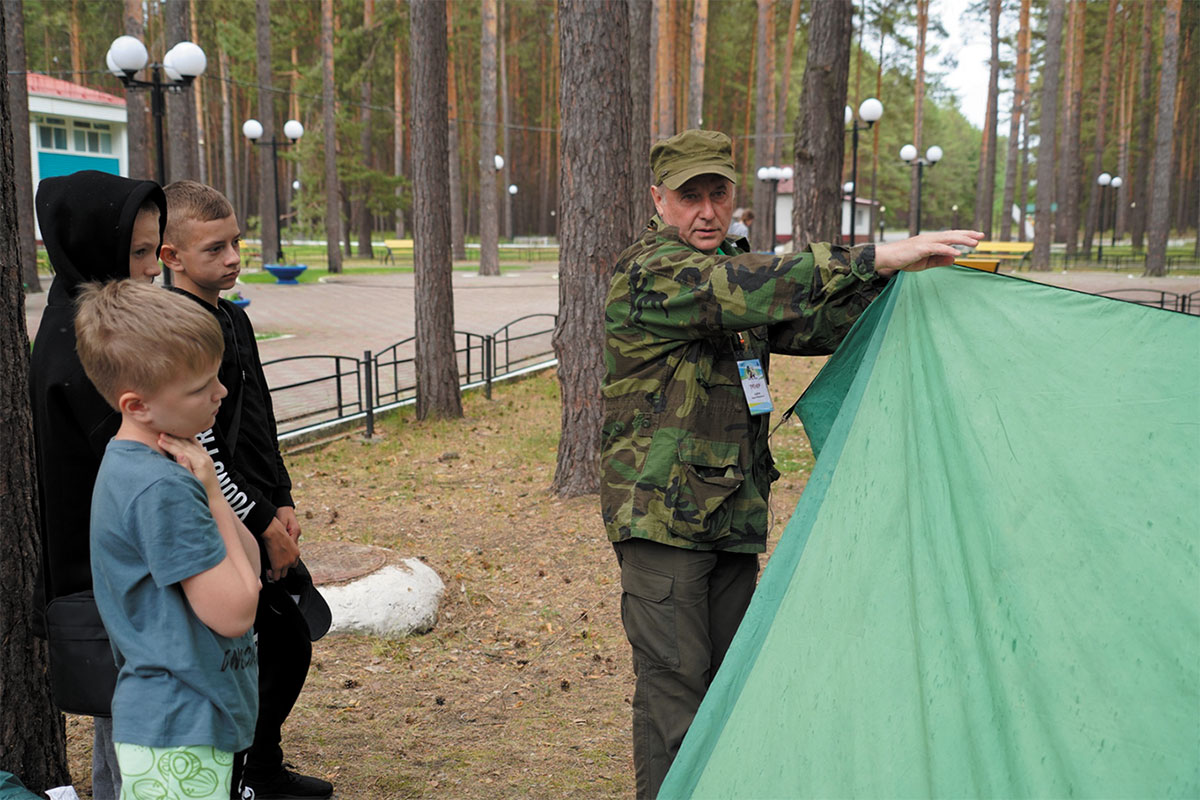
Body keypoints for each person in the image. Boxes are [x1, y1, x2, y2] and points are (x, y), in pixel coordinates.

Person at [601, 128, 983, 798]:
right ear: (659, 200)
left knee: (729, 699)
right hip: (662, 525)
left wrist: (914, 291)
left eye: (718, 193)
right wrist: (879, 256)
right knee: (676, 710)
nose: (707, 211)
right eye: (690, 196)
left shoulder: (732, 273)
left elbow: (806, 323)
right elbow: (751, 287)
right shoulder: (653, 274)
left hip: (728, 517)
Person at [160, 181, 332, 800]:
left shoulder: (232, 317)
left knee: (287, 640)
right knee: (266, 645)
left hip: (260, 509)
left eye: (236, 242)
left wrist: (281, 497)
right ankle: (239, 779)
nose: (233, 257)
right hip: (219, 520)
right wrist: (258, 523)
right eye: (215, 248)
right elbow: (201, 447)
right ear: (169, 255)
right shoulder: (172, 328)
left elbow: (256, 416)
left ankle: (261, 770)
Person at [74, 280, 261, 800]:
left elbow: (248, 560)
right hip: (181, 728)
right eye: (201, 387)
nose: (220, 393)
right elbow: (236, 610)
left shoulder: (151, 465)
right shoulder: (162, 488)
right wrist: (215, 498)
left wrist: (211, 492)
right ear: (138, 405)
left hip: (187, 721)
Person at [30, 170, 167, 800]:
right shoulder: (83, 348)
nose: (150, 268)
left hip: (109, 562)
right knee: (130, 717)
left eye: (154, 249)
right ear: (90, 244)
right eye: (137, 253)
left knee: (122, 719)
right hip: (108, 568)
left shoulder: (83, 325)